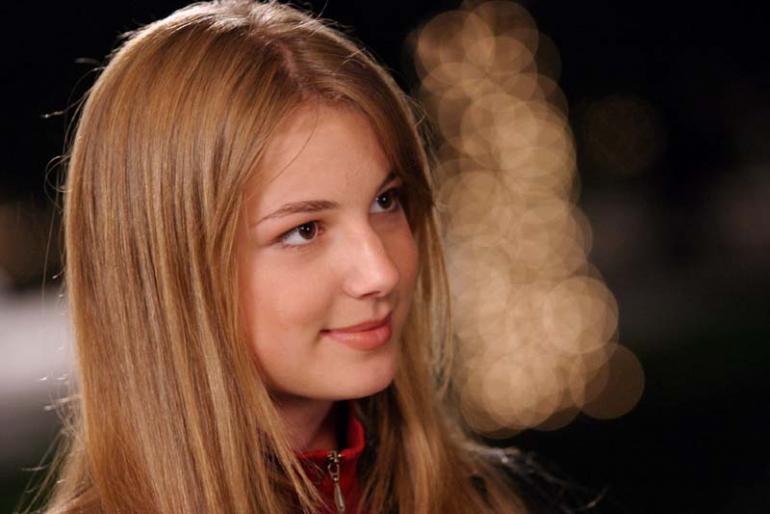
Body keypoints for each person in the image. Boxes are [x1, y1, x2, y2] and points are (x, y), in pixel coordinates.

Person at [28, 1, 574, 513]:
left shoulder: (492, 499)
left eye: (386, 201)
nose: (380, 272)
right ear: (169, 270)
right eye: (304, 230)